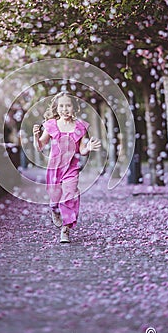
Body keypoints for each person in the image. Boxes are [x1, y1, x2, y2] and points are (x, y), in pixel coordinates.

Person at [33, 92, 101, 243]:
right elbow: (40, 147)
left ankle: (66, 230)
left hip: (72, 168)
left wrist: (88, 147)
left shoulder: (80, 127)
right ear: (57, 108)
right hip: (54, 168)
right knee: (55, 196)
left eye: (68, 105)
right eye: (61, 106)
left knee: (70, 194)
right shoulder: (51, 125)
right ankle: (54, 208)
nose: (65, 109)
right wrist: (35, 137)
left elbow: (82, 151)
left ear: (74, 108)